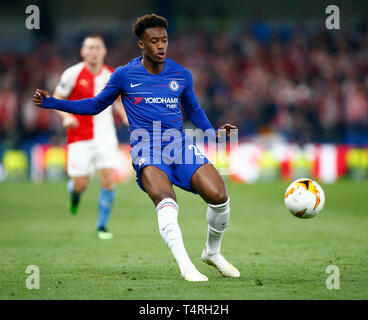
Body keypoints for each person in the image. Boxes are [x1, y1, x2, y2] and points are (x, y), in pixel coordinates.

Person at [33, 14, 239, 281]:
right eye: (154, 41)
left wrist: (214, 133)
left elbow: (195, 112)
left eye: (164, 40)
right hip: (147, 148)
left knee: (219, 195)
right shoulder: (124, 75)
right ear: (142, 44)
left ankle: (212, 253)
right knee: (166, 199)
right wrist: (54, 103)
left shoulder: (181, 74)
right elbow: (95, 105)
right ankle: (186, 266)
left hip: (179, 146)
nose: (161, 46)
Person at [53, 34, 128, 240]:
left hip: (105, 136)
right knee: (80, 184)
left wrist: (126, 117)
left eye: (97, 48)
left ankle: (102, 226)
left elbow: (119, 102)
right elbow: (56, 98)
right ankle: (74, 195)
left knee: (108, 181)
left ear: (104, 52)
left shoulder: (112, 75)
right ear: (83, 51)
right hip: (79, 137)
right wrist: (66, 117)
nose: (93, 51)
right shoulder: (72, 74)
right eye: (90, 48)